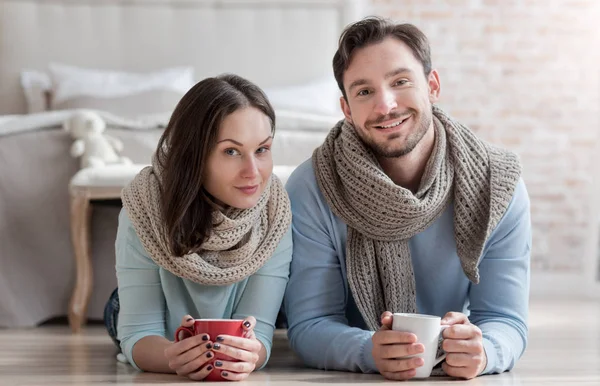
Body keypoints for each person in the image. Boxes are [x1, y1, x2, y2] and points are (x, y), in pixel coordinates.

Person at [283, 17, 531, 381]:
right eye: (364, 91)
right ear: (347, 109)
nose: (385, 106)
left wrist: (484, 351)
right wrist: (368, 350)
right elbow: (310, 326)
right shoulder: (312, 186)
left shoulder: (497, 183)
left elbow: (505, 320)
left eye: (400, 82)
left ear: (432, 86)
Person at [103, 74, 293, 382]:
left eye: (262, 149)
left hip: (221, 322)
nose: (253, 172)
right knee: (118, 311)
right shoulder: (144, 207)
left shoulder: (275, 213)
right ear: (194, 156)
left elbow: (260, 334)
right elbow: (139, 331)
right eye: (231, 151)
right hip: (155, 320)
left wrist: (249, 357)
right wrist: (171, 357)